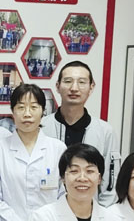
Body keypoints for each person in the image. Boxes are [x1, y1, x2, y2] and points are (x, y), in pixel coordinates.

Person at [0, 83, 67, 221]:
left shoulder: (58, 148)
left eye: (34, 107)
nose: (27, 114)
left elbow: (65, 194)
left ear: (43, 111)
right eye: (21, 107)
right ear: (12, 111)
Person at [41, 61, 120, 206]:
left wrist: (99, 213)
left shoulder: (105, 131)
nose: (74, 88)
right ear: (57, 86)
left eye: (82, 82)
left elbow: (110, 184)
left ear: (91, 87)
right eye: (68, 81)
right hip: (48, 212)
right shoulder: (42, 127)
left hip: (91, 212)